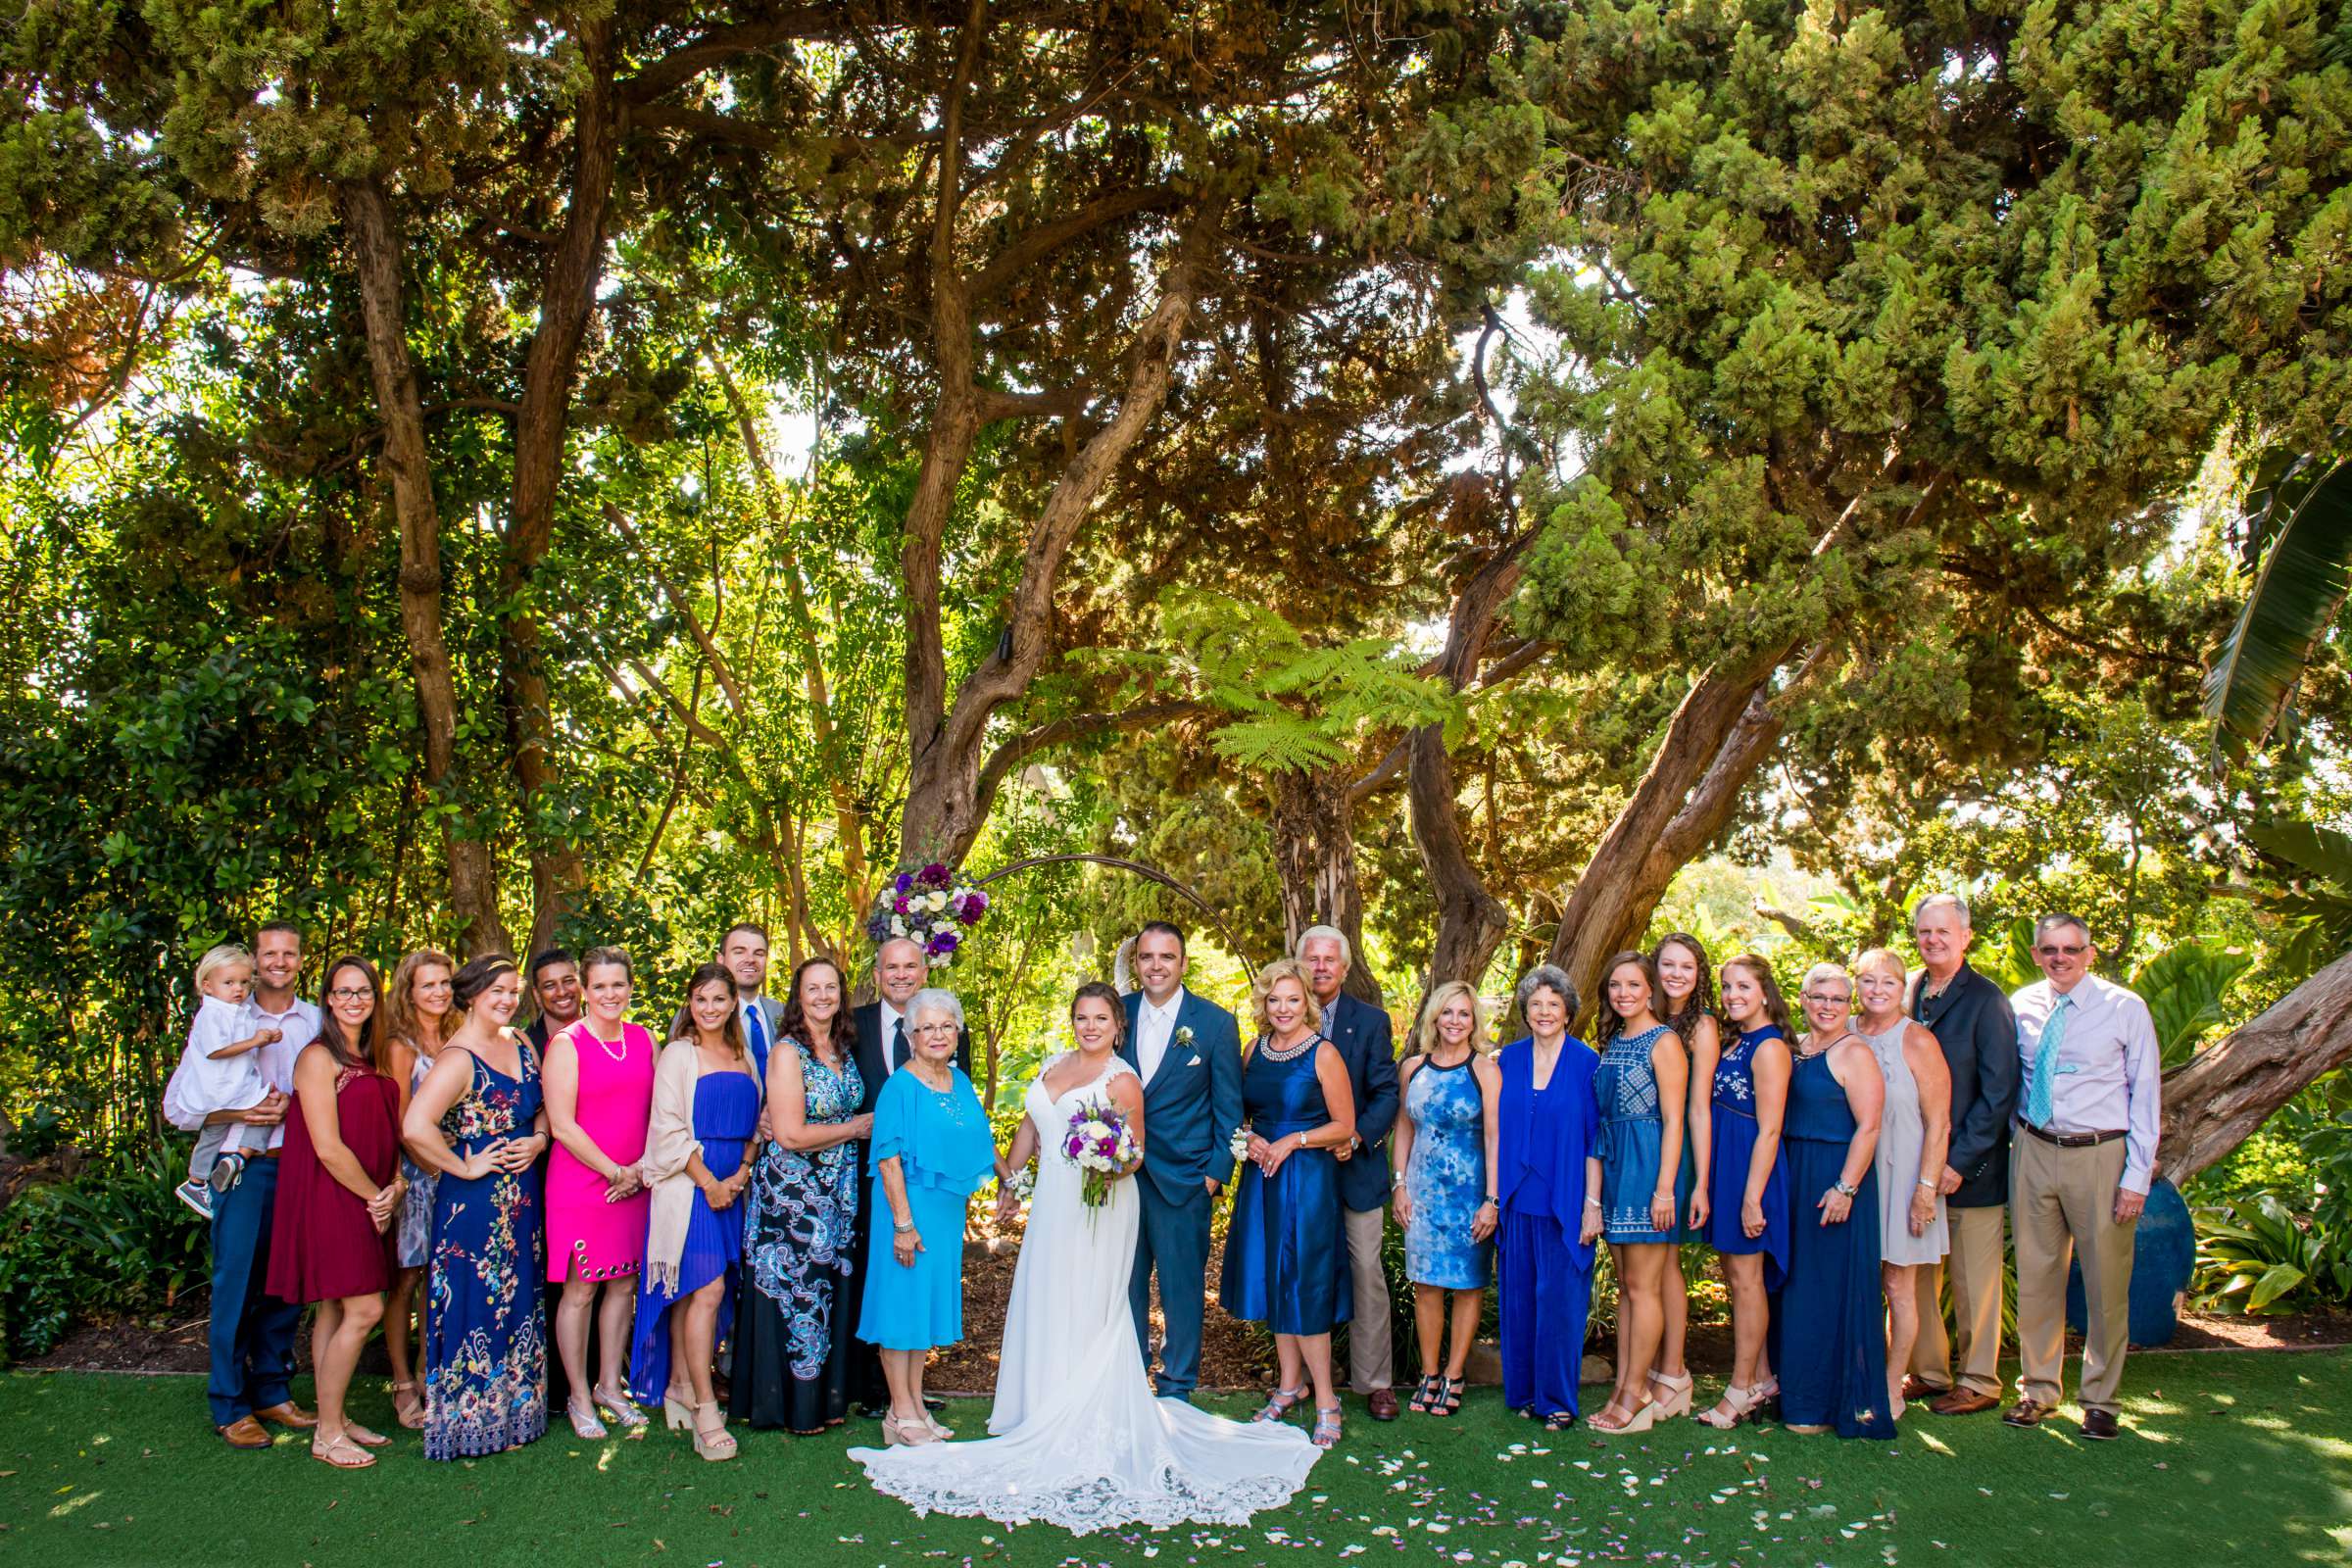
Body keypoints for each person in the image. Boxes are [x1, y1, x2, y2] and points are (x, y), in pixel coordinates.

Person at [850, 983, 1321, 1530]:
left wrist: (1108, 1162)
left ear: (1117, 1025)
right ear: (1072, 1021)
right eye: (1081, 1017)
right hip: (1051, 1206)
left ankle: (1084, 1415)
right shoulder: (1054, 1064)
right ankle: (1039, 1407)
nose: (1090, 1026)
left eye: (1100, 1018)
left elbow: (1134, 1153)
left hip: (1098, 1206)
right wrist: (1013, 1178)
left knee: (1089, 1301)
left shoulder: (1123, 1080)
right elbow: (1031, 1125)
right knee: (1048, 1296)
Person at [2005, 913, 2161, 1442]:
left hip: (2100, 1156)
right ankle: (2038, 1391)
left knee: (2104, 1283)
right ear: (2036, 954)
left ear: (2089, 954)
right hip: (2033, 1149)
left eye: (2071, 949)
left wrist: (2136, 1176)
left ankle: (2100, 1400)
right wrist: (2019, 1141)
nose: (2060, 958)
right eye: (2050, 949)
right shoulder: (2021, 1005)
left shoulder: (2125, 1008)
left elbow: (2146, 1096)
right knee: (2037, 1276)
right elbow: (2013, 1079)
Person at [162, 920, 316, 1448]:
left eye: (289, 953)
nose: (278, 962)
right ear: (253, 959)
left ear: (300, 960)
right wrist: (243, 1110)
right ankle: (229, 1403)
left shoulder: (316, 1021)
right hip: (245, 1170)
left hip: (301, 1165)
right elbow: (178, 1109)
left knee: (285, 1286)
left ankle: (272, 1389)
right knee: (237, 1284)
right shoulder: (222, 1018)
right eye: (269, 953)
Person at [402, 955, 550, 1460]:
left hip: (523, 1199)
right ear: (471, 995)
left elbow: (543, 1105)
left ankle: (515, 1414)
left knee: (518, 1296)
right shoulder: (458, 1058)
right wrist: (461, 1167)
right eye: (498, 992)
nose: (509, 999)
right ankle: (469, 1422)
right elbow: (415, 1126)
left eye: (513, 991)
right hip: (474, 1205)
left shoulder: (521, 1042)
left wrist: (539, 1139)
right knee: (475, 1301)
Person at [267, 955, 404, 1468]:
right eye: (343, 992)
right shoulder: (317, 1058)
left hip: (373, 1193)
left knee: (333, 1307)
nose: (354, 1001)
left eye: (363, 991)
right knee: (365, 1308)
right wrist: (374, 1196)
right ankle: (326, 1433)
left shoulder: (373, 1055)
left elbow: (388, 1129)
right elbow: (327, 1146)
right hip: (333, 1196)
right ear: (327, 999)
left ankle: (337, 1414)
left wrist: (394, 1185)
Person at [1220, 957, 1360, 1447]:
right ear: (1264, 1003)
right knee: (1275, 1281)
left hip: (1307, 1180)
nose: (1282, 1008)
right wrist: (1252, 1138)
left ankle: (1326, 1398)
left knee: (1304, 1283)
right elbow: (1240, 1113)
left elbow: (1344, 1126)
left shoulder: (1323, 1054)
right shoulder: (1253, 1048)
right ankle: (1288, 1385)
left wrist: (1293, 1141)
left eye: (1293, 1000)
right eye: (1274, 1000)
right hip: (1263, 1177)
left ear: (1309, 1003)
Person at [630, 963, 763, 1461]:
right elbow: (665, 1127)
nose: (709, 1008)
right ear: (690, 1003)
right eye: (700, 999)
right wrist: (710, 1183)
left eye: (719, 1000)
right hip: (691, 1190)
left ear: (733, 1003)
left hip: (733, 1187)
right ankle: (706, 1410)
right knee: (703, 1287)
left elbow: (758, 1123)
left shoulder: (744, 1054)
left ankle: (682, 1386)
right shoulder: (678, 1055)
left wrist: (741, 1175)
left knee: (705, 1289)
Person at [736, 955, 872, 1434]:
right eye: (812, 989)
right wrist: (852, 1127)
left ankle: (823, 1402)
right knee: (796, 1295)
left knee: (824, 1293)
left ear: (841, 994)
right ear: (798, 996)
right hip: (793, 1198)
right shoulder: (787, 1052)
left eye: (830, 987)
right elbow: (790, 1134)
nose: (822, 996)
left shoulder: (842, 1047)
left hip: (836, 1194)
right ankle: (788, 1407)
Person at [855, 988, 997, 1444]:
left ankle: (914, 1405)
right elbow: (888, 1159)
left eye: (946, 1026)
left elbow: (975, 1145)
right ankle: (899, 1413)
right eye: (927, 1028)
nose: (937, 1035)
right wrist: (902, 1224)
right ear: (911, 1036)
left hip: (945, 1212)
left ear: (958, 1032)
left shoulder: (960, 1082)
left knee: (922, 1309)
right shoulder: (900, 1085)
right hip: (906, 1209)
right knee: (901, 1307)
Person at [1903, 893, 2022, 1416]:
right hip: (1915, 1164)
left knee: (1974, 1280)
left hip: (1971, 1168)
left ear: (1966, 936)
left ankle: (1979, 1380)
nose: (1933, 940)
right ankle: (1929, 1371)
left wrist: (1958, 1162)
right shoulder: (1909, 991)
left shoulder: (1987, 1000)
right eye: (1925, 932)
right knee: (1919, 1270)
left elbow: (2000, 1094)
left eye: (1943, 932)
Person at [1117, 920, 1244, 1401]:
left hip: (1186, 1180)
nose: (1156, 966)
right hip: (1120, 1180)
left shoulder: (1214, 1023)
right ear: (1137, 962)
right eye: (1147, 957)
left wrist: (1214, 1176)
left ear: (1183, 963)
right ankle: (1128, 1378)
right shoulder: (1118, 1014)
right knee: (1123, 1285)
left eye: (1166, 957)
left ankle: (1177, 1386)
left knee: (1182, 1289)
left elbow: (1229, 1107)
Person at [848, 933, 969, 1419]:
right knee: (889, 1295)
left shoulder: (950, 1062)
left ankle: (911, 1401)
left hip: (935, 1196)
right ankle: (885, 1398)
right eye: (890, 967)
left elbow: (964, 1122)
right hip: (878, 1184)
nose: (900, 975)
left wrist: (1008, 1175)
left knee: (916, 1298)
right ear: (877, 976)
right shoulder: (855, 1030)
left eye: (910, 966)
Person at [543, 946, 657, 1438]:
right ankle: (579, 1394)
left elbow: (658, 1111)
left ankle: (611, 1384)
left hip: (636, 1179)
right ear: (584, 991)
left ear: (630, 988)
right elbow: (563, 1126)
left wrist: (639, 1169)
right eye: (600, 986)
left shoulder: (644, 1038)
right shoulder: (567, 1044)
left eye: (619, 985)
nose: (611, 994)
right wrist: (614, 1171)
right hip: (585, 1183)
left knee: (624, 1285)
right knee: (581, 1288)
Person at [1776, 963, 1892, 1440]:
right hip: (1794, 1175)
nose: (1827, 1006)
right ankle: (1793, 1393)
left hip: (1834, 1182)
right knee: (1795, 1287)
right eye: (1818, 996)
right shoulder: (1798, 1050)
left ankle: (1825, 1404)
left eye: (1838, 999)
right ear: (1802, 998)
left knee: (1825, 1292)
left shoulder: (1855, 1053)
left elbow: (1870, 1126)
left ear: (1850, 1006)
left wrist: (1845, 1187)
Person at [1295, 924, 1399, 1421]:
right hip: (1297, 1173)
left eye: (1329, 960)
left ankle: (1374, 1381)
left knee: (1365, 1273)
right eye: (1311, 959)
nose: (1320, 967)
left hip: (1355, 1172)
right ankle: (1299, 1378)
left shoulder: (1371, 1021)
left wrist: (1353, 1138)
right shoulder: (1282, 1016)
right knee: (1300, 1271)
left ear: (1345, 967)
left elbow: (1386, 1093)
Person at [1493, 966, 1601, 1431]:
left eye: (1553, 1005)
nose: (1544, 1012)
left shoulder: (1587, 1063)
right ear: (1525, 1011)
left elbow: (1596, 1140)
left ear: (1568, 1012)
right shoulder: (1507, 1061)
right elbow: (1493, 1131)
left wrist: (1592, 1205)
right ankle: (1522, 1391)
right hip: (1517, 1199)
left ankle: (1556, 1399)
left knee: (1559, 1301)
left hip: (1566, 1199)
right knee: (1518, 1299)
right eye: (1535, 1004)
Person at [1391, 980, 1501, 1417]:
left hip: (1469, 1195)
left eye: (1464, 1014)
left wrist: (1492, 1199)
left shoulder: (1485, 1070)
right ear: (1434, 1018)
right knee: (1427, 1286)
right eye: (1447, 1013)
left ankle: (1455, 1375)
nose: (1455, 1021)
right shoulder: (1414, 1068)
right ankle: (1429, 1373)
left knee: (1467, 1285)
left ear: (1474, 1021)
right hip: (1422, 1195)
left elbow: (1494, 1136)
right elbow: (1404, 1126)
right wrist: (1399, 1184)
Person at [1588, 952, 1688, 1433]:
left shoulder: (1664, 1041)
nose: (1623, 994)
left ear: (1651, 990)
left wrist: (1665, 1188)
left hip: (1648, 1167)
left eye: (1633, 985)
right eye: (1615, 986)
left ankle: (1638, 1395)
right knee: (1628, 1288)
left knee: (1645, 1287)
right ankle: (1624, 1386)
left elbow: (1674, 1122)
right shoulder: (1613, 1040)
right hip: (1615, 1165)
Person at [1693, 954, 1791, 1430]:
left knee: (1748, 1282)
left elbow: (1770, 1130)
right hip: (1728, 1167)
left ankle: (1740, 1389)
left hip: (1753, 1171)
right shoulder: (1740, 1041)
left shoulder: (1770, 1048)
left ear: (1765, 992)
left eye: (1743, 987)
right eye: (1727, 987)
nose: (1733, 995)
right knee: (1736, 1278)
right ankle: (1764, 1378)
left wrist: (1752, 1197)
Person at [1854, 948, 1952, 1419]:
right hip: (1855, 1175)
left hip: (1903, 1175)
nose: (1877, 991)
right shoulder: (1846, 1031)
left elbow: (1939, 1123)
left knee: (1898, 1284)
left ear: (1903, 989)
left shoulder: (1917, 1040)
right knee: (1856, 1281)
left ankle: (1893, 1385)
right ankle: (1858, 1374)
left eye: (1888, 983)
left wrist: (1925, 1188)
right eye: (1868, 982)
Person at [380, 947, 454, 1431]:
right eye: (428, 984)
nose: (439, 992)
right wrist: (431, 1170)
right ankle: (403, 1382)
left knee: (439, 1278)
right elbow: (401, 1125)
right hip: (418, 1175)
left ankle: (432, 1371)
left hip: (454, 1172)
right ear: (409, 990)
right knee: (408, 1278)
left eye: (445, 983)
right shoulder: (400, 1045)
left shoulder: (456, 1037)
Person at [1650, 932, 1718, 1420]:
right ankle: (1653, 1366)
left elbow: (1698, 1109)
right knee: (1644, 1269)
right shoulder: (1643, 1019)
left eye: (1687, 967)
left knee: (1667, 1263)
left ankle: (1675, 1371)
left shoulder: (1702, 1028)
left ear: (1699, 977)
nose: (1676, 974)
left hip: (1677, 1154)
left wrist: (1698, 1182)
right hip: (1638, 1150)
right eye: (1668, 965)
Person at [168, 944, 281, 1218]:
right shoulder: (211, 1014)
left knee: (261, 1111)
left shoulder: (237, 1011)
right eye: (229, 982)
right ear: (207, 985)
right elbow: (215, 1050)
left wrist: (265, 1036)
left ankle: (226, 1164)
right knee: (265, 1108)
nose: (238, 989)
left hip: (230, 1089)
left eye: (244, 982)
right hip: (217, 1089)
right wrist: (256, 1040)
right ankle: (209, 1174)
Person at [721, 923, 784, 1080]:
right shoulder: (697, 1015)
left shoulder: (783, 1011)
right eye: (739, 952)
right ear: (720, 959)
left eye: (759, 953)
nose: (750, 959)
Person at [521, 949, 582, 1052]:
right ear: (537, 995)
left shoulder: (609, 1034)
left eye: (568, 981)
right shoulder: (524, 1049)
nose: (561, 992)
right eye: (550, 986)